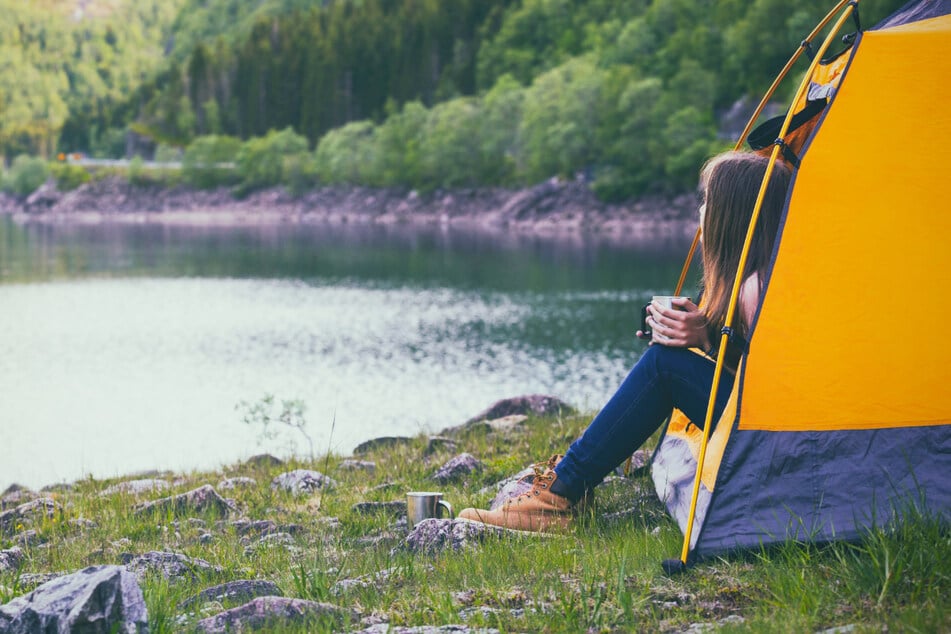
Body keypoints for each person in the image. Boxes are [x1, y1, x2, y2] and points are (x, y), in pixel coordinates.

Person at [458, 151, 793, 533]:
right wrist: (705, 334)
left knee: (663, 369)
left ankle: (557, 499)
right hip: (777, 435)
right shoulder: (754, 278)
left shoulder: (757, 289)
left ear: (732, 215)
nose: (700, 211)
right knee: (667, 360)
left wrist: (707, 337)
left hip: (778, 447)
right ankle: (566, 487)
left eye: (707, 201)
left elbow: (769, 395)